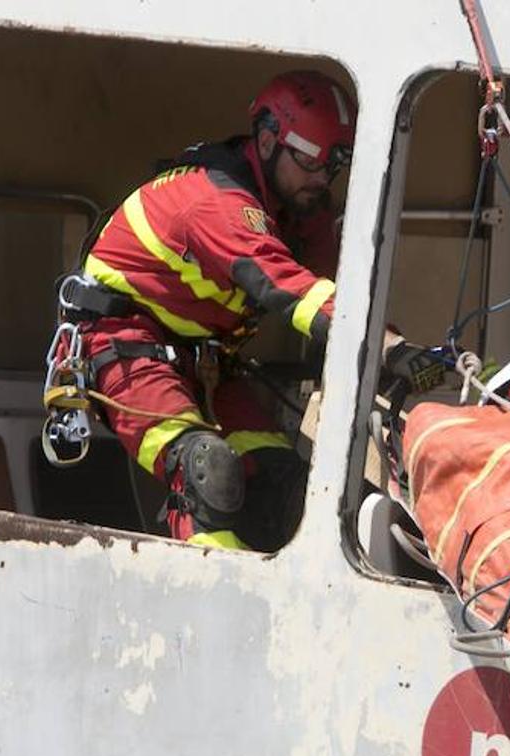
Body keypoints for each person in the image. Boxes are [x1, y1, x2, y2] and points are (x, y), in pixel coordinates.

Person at [57, 70, 443, 551]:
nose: (321, 179)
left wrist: (404, 355)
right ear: (266, 140)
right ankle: (217, 613)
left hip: (211, 366)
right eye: (309, 162)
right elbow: (289, 288)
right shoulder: (212, 202)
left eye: (333, 166)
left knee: (285, 487)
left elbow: (331, 296)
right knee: (206, 472)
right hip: (126, 349)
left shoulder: (302, 211)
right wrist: (388, 349)